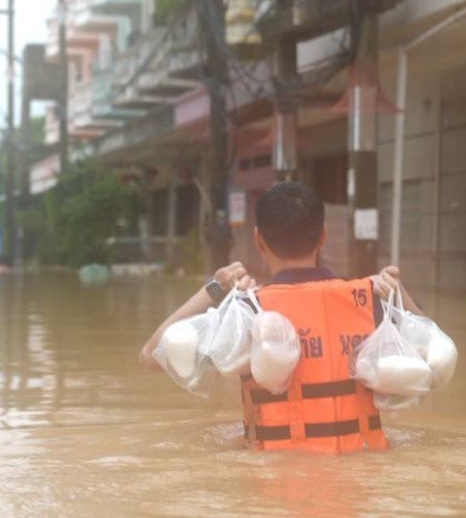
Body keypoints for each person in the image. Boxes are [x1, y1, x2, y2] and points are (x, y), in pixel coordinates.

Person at [141, 181, 420, 453]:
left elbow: (152, 355)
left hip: (275, 480)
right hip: (364, 477)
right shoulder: (368, 300)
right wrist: (397, 292)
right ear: (323, 237)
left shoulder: (247, 311)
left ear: (258, 240)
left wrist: (214, 288)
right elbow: (435, 358)